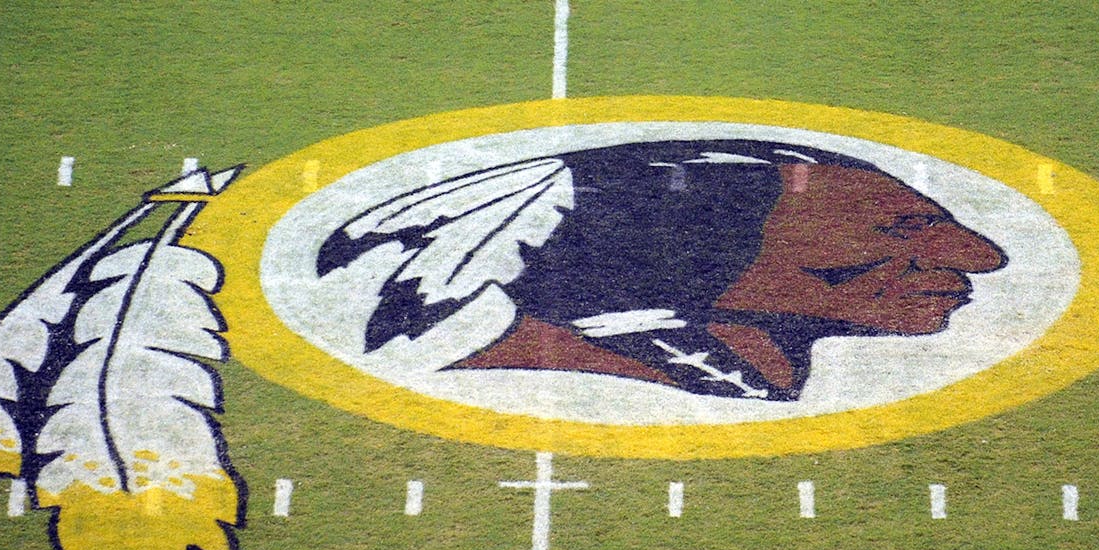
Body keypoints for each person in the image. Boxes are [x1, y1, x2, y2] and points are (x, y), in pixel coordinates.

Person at [318, 140, 1007, 400]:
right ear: (688, 258)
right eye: (900, 229)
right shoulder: (615, 386)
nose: (983, 259)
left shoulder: (731, 373)